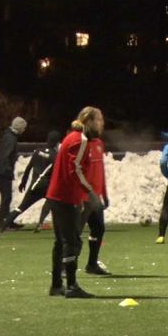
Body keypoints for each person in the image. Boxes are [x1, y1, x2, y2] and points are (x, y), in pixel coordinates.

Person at [46, 107, 104, 298]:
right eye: (99, 120)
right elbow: (76, 169)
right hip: (65, 198)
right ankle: (71, 286)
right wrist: (90, 193)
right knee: (71, 241)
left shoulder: (71, 137)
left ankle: (56, 285)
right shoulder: (81, 140)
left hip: (57, 196)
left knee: (61, 242)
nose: (101, 123)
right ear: (89, 122)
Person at [0, 130, 59, 240]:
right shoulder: (55, 156)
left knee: (20, 208)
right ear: (57, 143)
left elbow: (29, 167)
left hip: (34, 187)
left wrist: (23, 182)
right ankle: (61, 233)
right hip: (47, 187)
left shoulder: (37, 151)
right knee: (58, 209)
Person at [78, 126, 110, 275]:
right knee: (75, 231)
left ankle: (92, 263)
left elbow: (101, 171)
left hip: (95, 196)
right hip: (83, 195)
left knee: (98, 228)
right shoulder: (80, 143)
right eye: (97, 121)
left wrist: (104, 193)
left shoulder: (99, 143)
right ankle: (65, 265)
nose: (100, 124)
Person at [0, 116, 27, 231]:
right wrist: (8, 171)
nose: (24, 130)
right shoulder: (11, 138)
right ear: (19, 128)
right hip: (3, 172)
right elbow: (5, 156)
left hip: (1, 171)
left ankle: (7, 221)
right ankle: (4, 223)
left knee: (7, 197)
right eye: (23, 128)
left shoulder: (8, 136)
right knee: (6, 198)